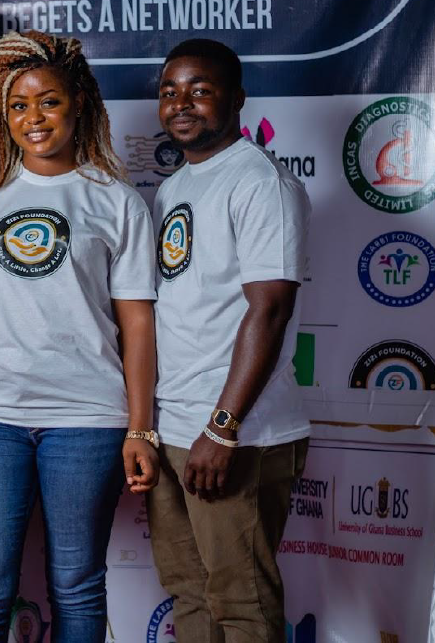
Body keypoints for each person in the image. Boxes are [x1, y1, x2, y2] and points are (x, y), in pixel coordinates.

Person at [0, 31, 159, 641]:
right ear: (1, 116)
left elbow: (137, 321)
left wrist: (140, 426)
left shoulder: (116, 201)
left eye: (48, 101)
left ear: (78, 103)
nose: (33, 117)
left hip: (88, 416)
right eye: (18, 105)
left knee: (76, 584)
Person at [147, 38, 311, 642]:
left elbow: (270, 309)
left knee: (243, 606)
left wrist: (222, 428)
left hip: (237, 433)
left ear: (237, 99)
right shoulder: (175, 186)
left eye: (200, 90)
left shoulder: (260, 181)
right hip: (174, 425)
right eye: (170, 92)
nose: (181, 104)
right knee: (190, 595)